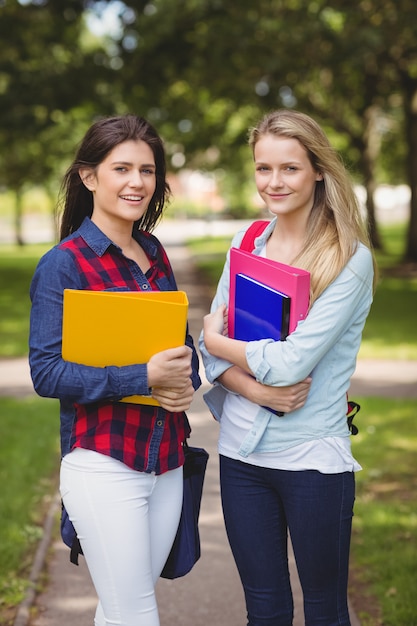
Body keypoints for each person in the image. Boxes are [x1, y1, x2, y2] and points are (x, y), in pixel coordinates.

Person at [200, 109, 376, 626]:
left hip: (310, 461)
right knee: (265, 611)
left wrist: (215, 339)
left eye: (290, 168)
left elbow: (290, 363)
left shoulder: (347, 257)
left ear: (318, 170)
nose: (273, 182)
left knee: (324, 612)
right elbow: (212, 357)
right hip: (240, 454)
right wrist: (252, 390)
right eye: (263, 168)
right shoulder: (247, 241)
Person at [29, 114, 201, 626]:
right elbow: (47, 373)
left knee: (121, 610)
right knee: (136, 614)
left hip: (166, 459)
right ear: (89, 177)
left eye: (147, 171)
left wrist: (182, 380)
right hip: (104, 462)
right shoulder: (64, 264)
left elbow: (178, 345)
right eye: (121, 168)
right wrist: (143, 378)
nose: (137, 182)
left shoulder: (153, 252)